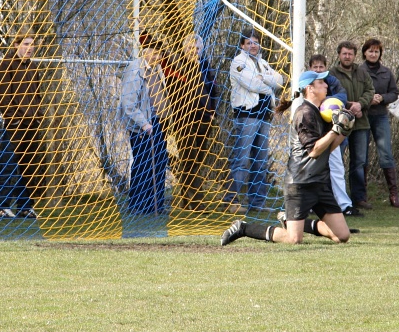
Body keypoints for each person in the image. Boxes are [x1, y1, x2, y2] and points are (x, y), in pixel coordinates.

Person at [221, 70, 353, 246]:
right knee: (294, 239)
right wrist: (335, 130)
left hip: (320, 183)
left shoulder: (323, 113)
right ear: (310, 88)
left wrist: (344, 130)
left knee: (342, 236)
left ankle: (290, 221)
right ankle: (243, 228)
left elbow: (328, 147)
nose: (326, 85)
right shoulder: (304, 113)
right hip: (300, 183)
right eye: (321, 83)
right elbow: (314, 151)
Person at [225, 30, 284, 214]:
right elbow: (252, 84)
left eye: (255, 42)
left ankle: (257, 202)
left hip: (264, 115)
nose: (253, 46)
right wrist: (268, 85)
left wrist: (263, 78)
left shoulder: (263, 63)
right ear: (242, 45)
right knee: (242, 159)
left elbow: (280, 81)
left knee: (260, 161)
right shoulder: (238, 62)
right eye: (249, 43)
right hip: (247, 115)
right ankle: (230, 201)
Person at [164, 33, 219, 211]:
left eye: (196, 48)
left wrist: (213, 111)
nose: (194, 51)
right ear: (184, 49)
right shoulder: (177, 65)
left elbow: (214, 90)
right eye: (190, 48)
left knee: (197, 160)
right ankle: (196, 202)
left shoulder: (205, 65)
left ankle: (186, 200)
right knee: (190, 159)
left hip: (205, 119)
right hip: (184, 119)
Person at [118, 31, 170, 215]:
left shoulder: (157, 69)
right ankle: (138, 205)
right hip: (142, 126)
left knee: (159, 162)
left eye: (159, 53)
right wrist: (144, 124)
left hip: (157, 122)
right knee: (143, 164)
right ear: (144, 52)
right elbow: (129, 104)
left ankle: (155, 205)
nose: (157, 56)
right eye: (153, 53)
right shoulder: (135, 70)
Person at [0, 34, 44, 219]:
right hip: (15, 124)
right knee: (8, 164)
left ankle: (25, 205)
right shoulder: (7, 64)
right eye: (26, 44)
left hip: (32, 124)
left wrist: (38, 116)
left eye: (32, 44)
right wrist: (13, 118)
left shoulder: (33, 66)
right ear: (16, 45)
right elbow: (3, 95)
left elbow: (37, 94)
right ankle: (2, 205)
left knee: (29, 166)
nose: (30, 47)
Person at [307, 54, 362, 217]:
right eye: (315, 67)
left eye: (321, 67)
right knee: (310, 169)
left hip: (330, 132)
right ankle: (308, 203)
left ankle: (344, 205)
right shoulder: (305, 93)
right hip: (313, 138)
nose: (318, 70)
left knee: (337, 167)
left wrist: (328, 102)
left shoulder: (332, 81)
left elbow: (342, 97)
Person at [330, 41, 375, 209]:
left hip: (361, 123)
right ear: (339, 55)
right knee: (336, 161)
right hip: (340, 124)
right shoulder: (332, 73)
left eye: (350, 54)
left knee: (359, 162)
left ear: (355, 56)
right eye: (344, 54)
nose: (347, 57)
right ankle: (335, 197)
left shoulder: (362, 72)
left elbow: (370, 91)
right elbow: (331, 95)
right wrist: (350, 106)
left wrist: (360, 104)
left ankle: (359, 198)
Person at [358, 38, 399, 207]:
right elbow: (354, 92)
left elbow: (394, 93)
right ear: (364, 52)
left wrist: (382, 98)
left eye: (376, 51)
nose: (373, 54)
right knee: (362, 156)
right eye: (370, 51)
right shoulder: (359, 71)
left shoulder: (386, 72)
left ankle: (393, 194)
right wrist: (369, 99)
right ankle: (361, 195)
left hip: (381, 116)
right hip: (363, 116)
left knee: (386, 154)